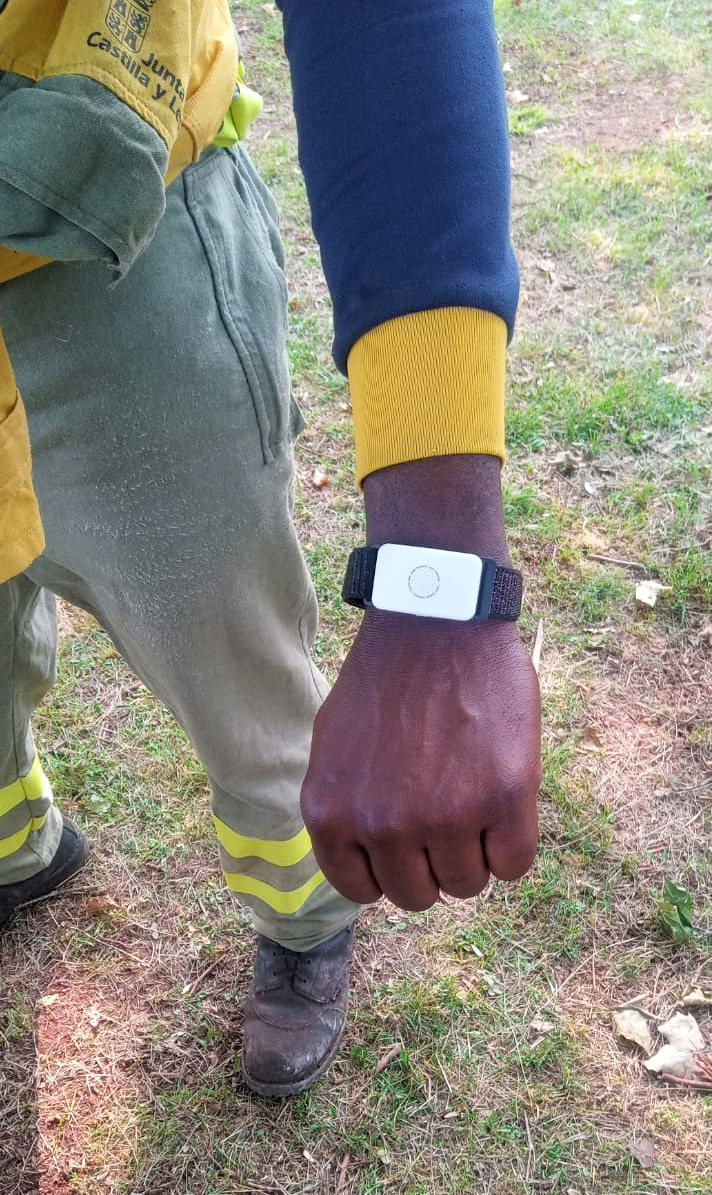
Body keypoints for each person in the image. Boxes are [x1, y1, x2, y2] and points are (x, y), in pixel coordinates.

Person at [0, 0, 542, 1098]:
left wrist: (437, 589)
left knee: (228, 650)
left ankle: (307, 917)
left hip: (107, 246)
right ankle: (16, 840)